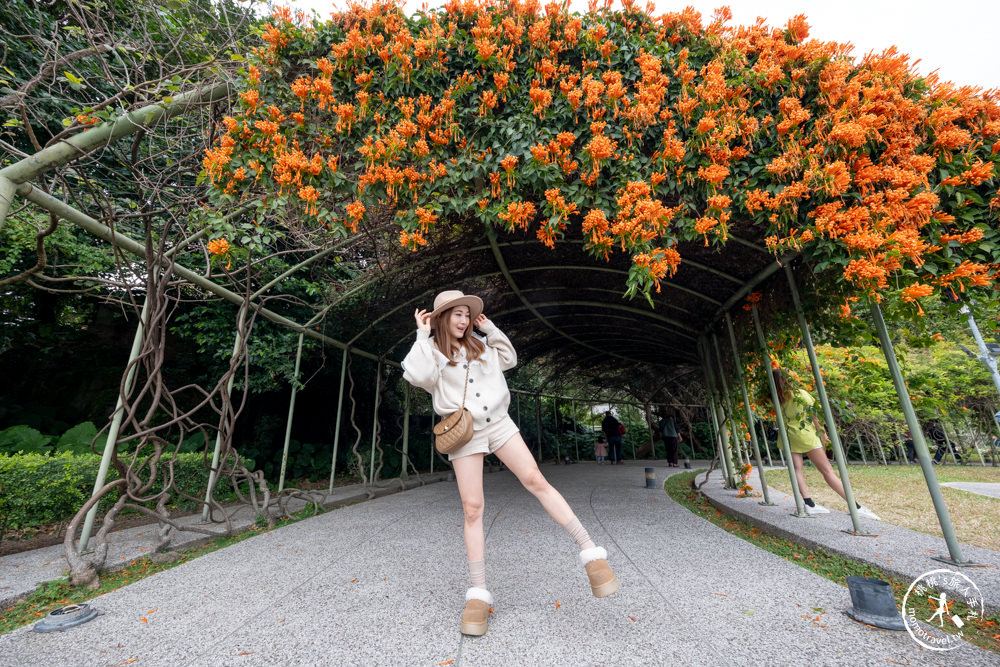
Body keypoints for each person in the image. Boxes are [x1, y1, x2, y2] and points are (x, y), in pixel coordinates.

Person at [402, 290, 619, 637]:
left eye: (465, 314)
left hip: (500, 424)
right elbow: (416, 375)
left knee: (536, 480)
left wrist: (491, 330)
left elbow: (509, 358)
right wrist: (422, 334)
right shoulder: (431, 352)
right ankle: (478, 596)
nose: (462, 320)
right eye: (455, 314)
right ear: (441, 318)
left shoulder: (480, 346)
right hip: (464, 432)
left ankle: (592, 554)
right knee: (473, 509)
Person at [771, 370, 881, 521]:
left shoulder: (776, 398)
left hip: (788, 436)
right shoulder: (800, 394)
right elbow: (814, 415)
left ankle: (808, 503)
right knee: (827, 471)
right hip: (806, 435)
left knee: (797, 468)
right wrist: (823, 434)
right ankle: (854, 506)